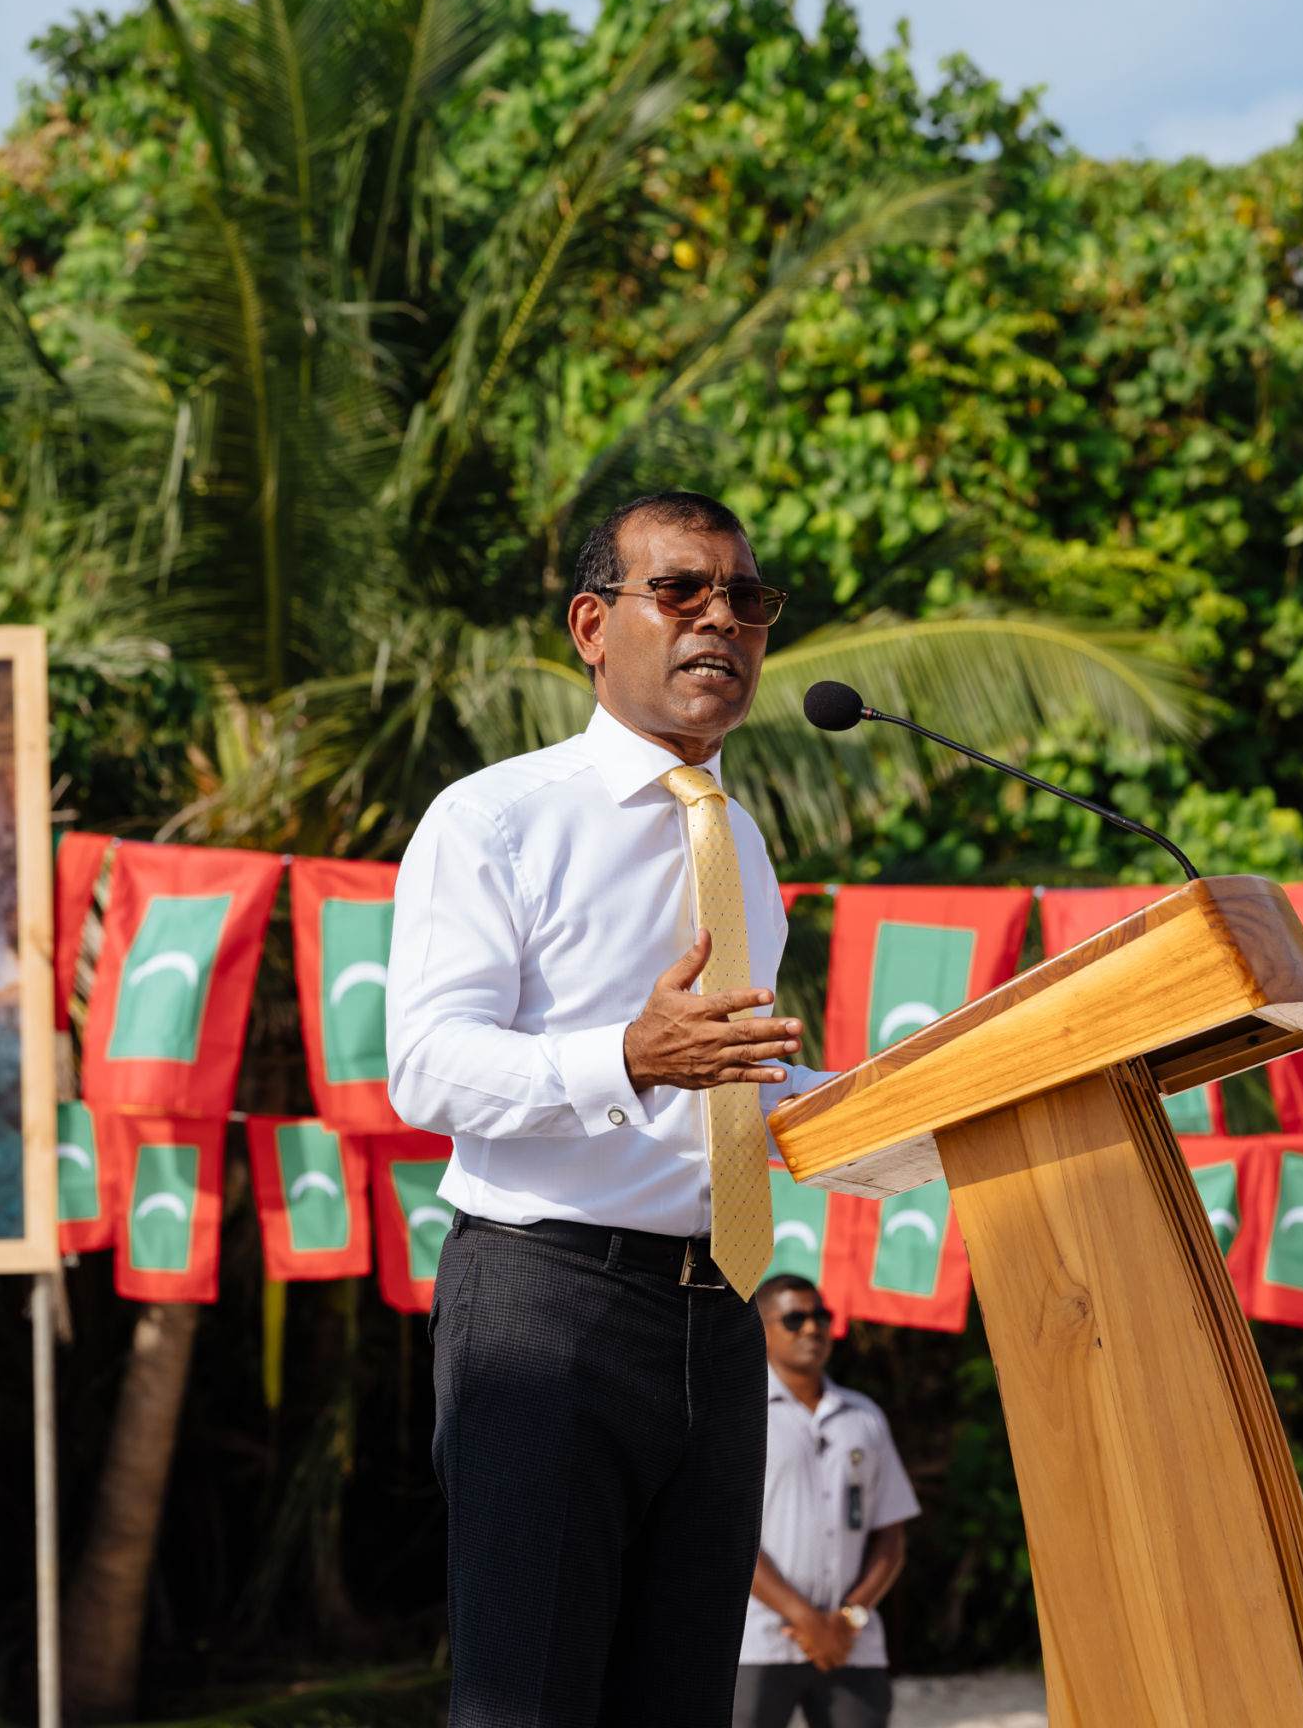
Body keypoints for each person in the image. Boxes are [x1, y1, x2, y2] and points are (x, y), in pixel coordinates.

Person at [387, 490, 831, 1727]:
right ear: (592, 625)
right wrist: (624, 1058)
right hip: (544, 1309)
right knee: (526, 1704)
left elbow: (728, 1072)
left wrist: (885, 1106)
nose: (721, 622)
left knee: (681, 1705)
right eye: (679, 590)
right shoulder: (495, 818)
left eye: (746, 599)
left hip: (718, 1310)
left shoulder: (736, 838)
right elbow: (424, 1067)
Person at [734, 1275, 918, 1728]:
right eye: (794, 1319)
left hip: (850, 1644)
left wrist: (848, 1618)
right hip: (758, 1640)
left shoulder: (863, 1415)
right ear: (762, 1329)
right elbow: (726, 1534)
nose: (812, 1329)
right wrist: (803, 1617)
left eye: (821, 1316)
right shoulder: (739, 1414)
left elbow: (890, 1533)